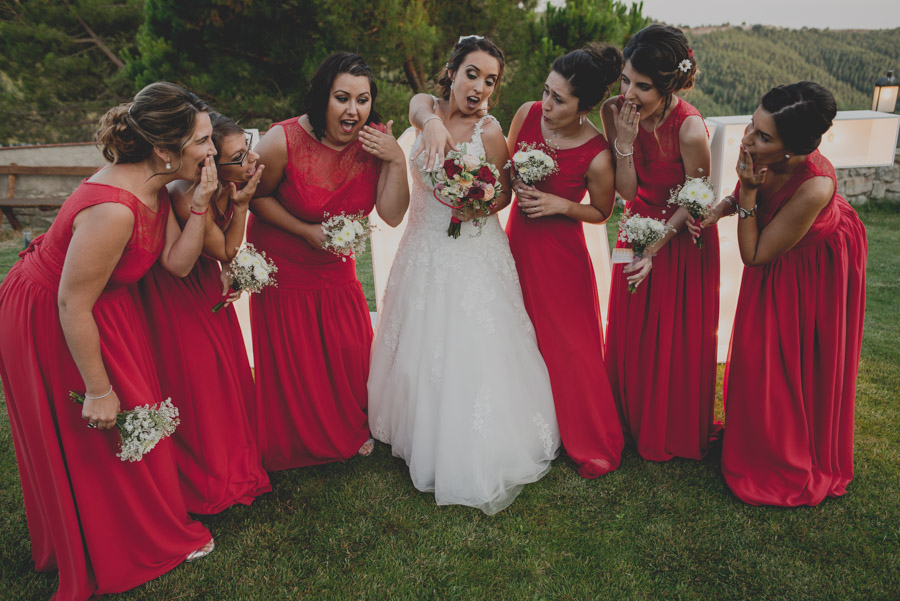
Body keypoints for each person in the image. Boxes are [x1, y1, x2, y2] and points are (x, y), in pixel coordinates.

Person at [0, 82, 216, 601]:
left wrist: (203, 204)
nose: (212, 150)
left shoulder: (159, 188)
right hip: (52, 314)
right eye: (203, 141)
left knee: (134, 416)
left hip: (104, 306)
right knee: (98, 426)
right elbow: (70, 303)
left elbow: (176, 264)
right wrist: (97, 389)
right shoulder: (114, 208)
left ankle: (138, 531)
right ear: (165, 150)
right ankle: (108, 545)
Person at [367, 36, 560, 515]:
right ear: (452, 71)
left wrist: (478, 202)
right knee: (417, 343)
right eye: (472, 74)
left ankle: (471, 444)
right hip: (421, 246)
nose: (479, 87)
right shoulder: (425, 109)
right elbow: (417, 106)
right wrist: (431, 122)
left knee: (472, 343)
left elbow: (503, 195)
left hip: (472, 250)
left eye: (490, 80)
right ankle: (420, 433)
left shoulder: (490, 131)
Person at [700, 82, 867, 506]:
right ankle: (752, 436)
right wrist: (721, 208)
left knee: (787, 359)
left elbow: (754, 254)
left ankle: (785, 451)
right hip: (776, 248)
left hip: (813, 268)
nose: (748, 140)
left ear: (792, 149)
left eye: (763, 137)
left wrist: (750, 192)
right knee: (758, 355)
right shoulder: (763, 153)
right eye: (752, 125)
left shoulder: (815, 187)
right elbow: (745, 194)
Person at [247, 52, 409, 471]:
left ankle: (345, 429)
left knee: (348, 349)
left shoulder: (374, 146)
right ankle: (299, 438)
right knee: (297, 359)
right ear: (322, 98)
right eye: (342, 98)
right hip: (284, 262)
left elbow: (392, 214)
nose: (353, 110)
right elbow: (255, 199)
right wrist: (305, 231)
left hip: (336, 267)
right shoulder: (281, 140)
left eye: (363, 99)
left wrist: (394, 159)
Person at [134, 112, 271, 514]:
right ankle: (207, 478)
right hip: (179, 293)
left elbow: (225, 255)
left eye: (246, 149)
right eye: (238, 157)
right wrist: (242, 206)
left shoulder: (223, 183)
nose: (250, 161)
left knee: (227, 373)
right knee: (201, 384)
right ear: (211, 164)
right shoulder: (185, 193)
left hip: (205, 283)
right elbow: (226, 248)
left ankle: (234, 462)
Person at [600, 24, 720, 462]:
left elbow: (697, 198)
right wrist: (625, 145)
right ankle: (628, 415)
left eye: (643, 86)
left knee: (672, 334)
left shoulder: (689, 129)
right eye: (626, 79)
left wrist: (654, 250)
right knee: (629, 325)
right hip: (634, 226)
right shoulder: (615, 111)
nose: (629, 93)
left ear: (668, 85)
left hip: (679, 235)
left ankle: (667, 423)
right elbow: (628, 194)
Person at [504, 44, 624, 478]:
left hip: (560, 254)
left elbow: (602, 212)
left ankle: (590, 438)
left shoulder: (597, 153)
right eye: (547, 91)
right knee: (517, 332)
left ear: (583, 106)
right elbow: (506, 169)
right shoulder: (526, 113)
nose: (547, 103)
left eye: (559, 99)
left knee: (571, 346)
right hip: (515, 241)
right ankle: (528, 425)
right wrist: (516, 182)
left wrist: (560, 203)